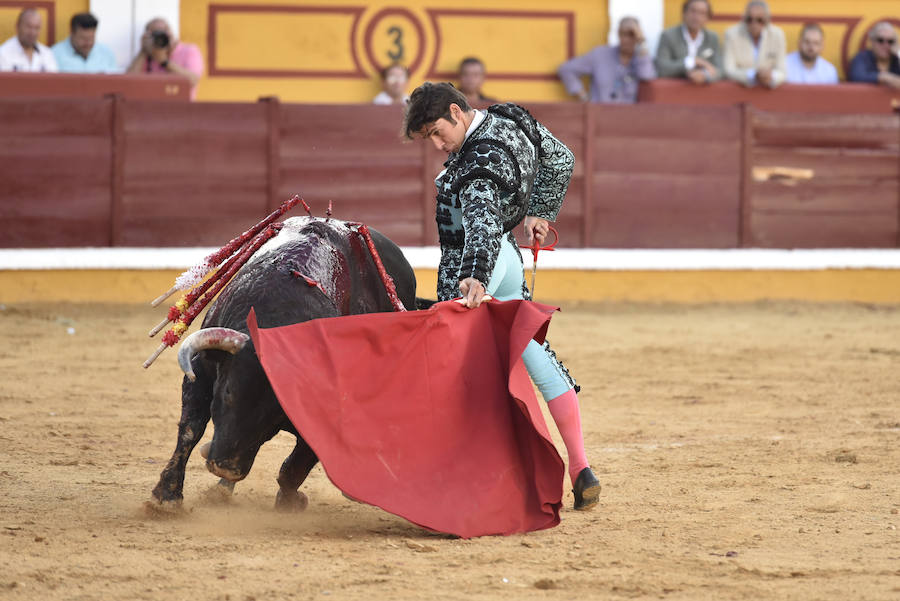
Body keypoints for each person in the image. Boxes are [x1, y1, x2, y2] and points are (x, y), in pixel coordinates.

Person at [402, 82, 601, 511]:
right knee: (534, 354)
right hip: (509, 258)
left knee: (454, 372)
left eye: (438, 132)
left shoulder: (475, 164)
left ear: (457, 111)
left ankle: (468, 482)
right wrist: (541, 212)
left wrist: (474, 277)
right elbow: (561, 158)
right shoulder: (512, 117)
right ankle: (582, 466)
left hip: (480, 265)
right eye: (429, 139)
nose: (438, 145)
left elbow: (479, 224)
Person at [557, 16, 656, 103]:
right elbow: (566, 69)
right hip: (599, 116)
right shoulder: (600, 55)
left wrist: (641, 44)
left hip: (627, 118)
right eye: (622, 34)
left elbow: (646, 76)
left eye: (631, 35)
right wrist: (584, 98)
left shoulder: (641, 59)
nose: (625, 39)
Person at [126, 17, 203, 99]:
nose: (161, 37)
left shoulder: (189, 51)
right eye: (156, 33)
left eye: (165, 31)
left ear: (171, 32)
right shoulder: (146, 54)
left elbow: (192, 80)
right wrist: (143, 51)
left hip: (181, 107)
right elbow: (128, 83)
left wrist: (164, 62)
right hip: (151, 107)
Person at [655, 0, 723, 84]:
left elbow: (720, 70)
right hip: (675, 92)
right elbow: (662, 69)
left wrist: (705, 75)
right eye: (693, 11)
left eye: (702, 13)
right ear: (684, 13)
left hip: (704, 93)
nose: (696, 17)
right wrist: (691, 62)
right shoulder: (668, 36)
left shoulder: (712, 37)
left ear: (707, 18)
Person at [723, 0, 786, 88]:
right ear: (744, 19)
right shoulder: (731, 34)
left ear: (767, 20)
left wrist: (772, 76)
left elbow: (782, 71)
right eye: (749, 19)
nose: (754, 24)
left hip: (767, 91)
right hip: (741, 92)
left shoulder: (777, 35)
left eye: (759, 20)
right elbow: (728, 70)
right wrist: (752, 75)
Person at [51, 12, 117, 73]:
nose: (88, 43)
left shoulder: (106, 53)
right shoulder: (54, 55)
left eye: (91, 38)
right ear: (72, 33)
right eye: (83, 38)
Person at [0, 8, 58, 72]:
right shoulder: (3, 53)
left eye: (37, 28)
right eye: (29, 27)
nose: (33, 32)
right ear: (17, 26)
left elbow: (53, 81)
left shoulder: (47, 54)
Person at [848, 22, 900, 89]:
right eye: (880, 40)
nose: (886, 45)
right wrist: (884, 77)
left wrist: (899, 53)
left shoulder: (897, 59)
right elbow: (856, 77)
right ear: (872, 41)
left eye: (890, 41)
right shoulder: (862, 58)